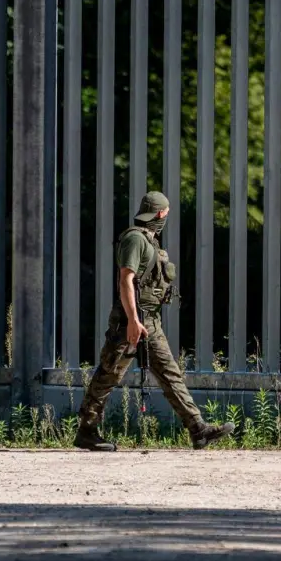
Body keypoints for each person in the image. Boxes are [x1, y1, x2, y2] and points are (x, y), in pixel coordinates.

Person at [74, 191, 235, 452]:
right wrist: (132, 321)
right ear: (160, 214)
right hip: (130, 323)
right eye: (166, 214)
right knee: (109, 374)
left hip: (150, 322)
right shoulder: (135, 240)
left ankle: (198, 429)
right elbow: (125, 280)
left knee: (170, 374)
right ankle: (87, 431)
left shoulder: (150, 241)